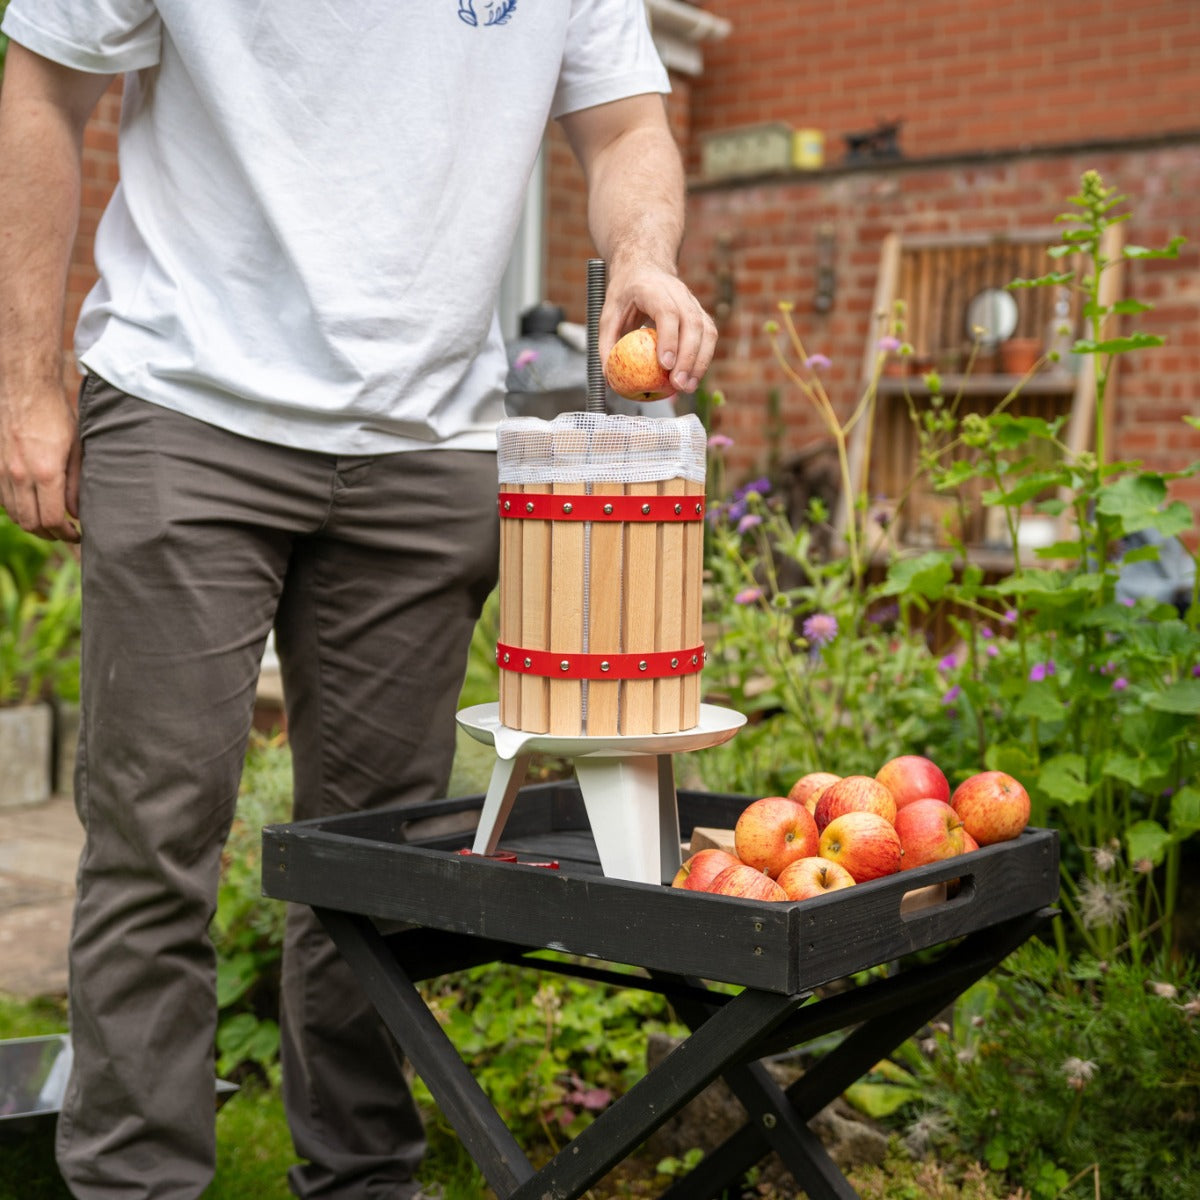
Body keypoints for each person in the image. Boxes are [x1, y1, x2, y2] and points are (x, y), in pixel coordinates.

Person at [0, 4, 718, 1198]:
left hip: (430, 441)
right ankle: (131, 1187)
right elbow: (43, 89)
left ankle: (361, 1182)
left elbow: (629, 123)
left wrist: (643, 252)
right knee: (154, 840)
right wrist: (25, 383)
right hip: (190, 402)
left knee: (369, 865)